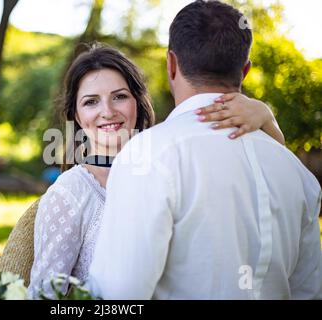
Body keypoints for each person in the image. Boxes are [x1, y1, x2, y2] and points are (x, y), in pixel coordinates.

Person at [87, 0, 322, 300]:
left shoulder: (146, 155)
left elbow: (117, 297)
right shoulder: (296, 173)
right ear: (245, 70)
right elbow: (309, 292)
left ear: (171, 64)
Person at [27, 42, 287, 299]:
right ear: (76, 114)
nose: (107, 112)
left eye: (119, 96)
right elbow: (44, 296)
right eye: (91, 102)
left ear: (137, 102)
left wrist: (265, 115)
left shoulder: (170, 162)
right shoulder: (70, 192)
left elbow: (265, 170)